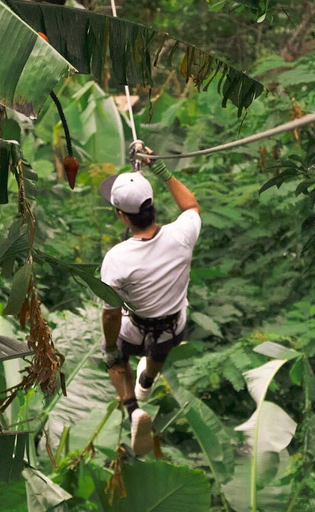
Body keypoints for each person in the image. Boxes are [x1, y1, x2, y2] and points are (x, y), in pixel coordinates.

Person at [98, 149, 201, 456]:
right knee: (163, 341)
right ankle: (148, 379)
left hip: (135, 330)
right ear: (152, 207)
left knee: (114, 356)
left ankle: (133, 409)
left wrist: (110, 347)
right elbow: (191, 205)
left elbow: (110, 315)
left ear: (122, 216)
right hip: (172, 328)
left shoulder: (117, 259)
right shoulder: (182, 235)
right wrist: (163, 172)